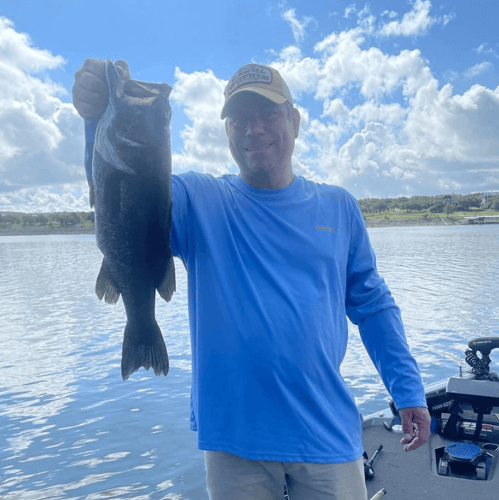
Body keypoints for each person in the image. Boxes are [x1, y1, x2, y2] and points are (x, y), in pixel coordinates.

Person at [73, 59, 431, 500]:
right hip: (234, 442)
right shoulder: (198, 199)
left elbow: (374, 308)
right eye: (238, 118)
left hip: (325, 433)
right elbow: (127, 197)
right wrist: (96, 117)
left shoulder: (338, 207)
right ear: (226, 134)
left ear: (295, 121)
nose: (253, 128)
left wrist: (407, 388)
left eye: (268, 113)